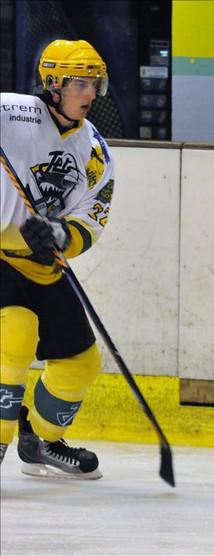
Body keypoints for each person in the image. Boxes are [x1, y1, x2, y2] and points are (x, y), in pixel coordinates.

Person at [0, 39, 115, 478]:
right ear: (53, 84)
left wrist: (59, 234)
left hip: (45, 265)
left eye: (95, 83)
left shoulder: (95, 150)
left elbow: (92, 218)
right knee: (14, 337)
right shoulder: (11, 112)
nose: (90, 93)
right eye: (80, 83)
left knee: (80, 363)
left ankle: (41, 442)